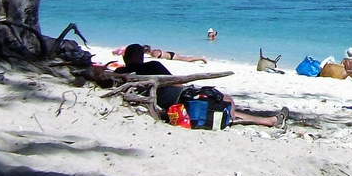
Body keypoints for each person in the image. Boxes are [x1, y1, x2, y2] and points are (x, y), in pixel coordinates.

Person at [119, 44, 283, 128]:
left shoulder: (120, 73)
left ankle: (266, 121)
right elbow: (176, 83)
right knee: (227, 101)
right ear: (141, 57)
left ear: (126, 58)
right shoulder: (151, 66)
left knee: (223, 105)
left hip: (161, 102)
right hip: (176, 101)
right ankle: (238, 120)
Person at [113, 44, 208, 64]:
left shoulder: (153, 54)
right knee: (186, 58)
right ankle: (200, 58)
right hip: (170, 54)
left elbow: (159, 58)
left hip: (172, 57)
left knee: (187, 59)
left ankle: (201, 58)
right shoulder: (154, 51)